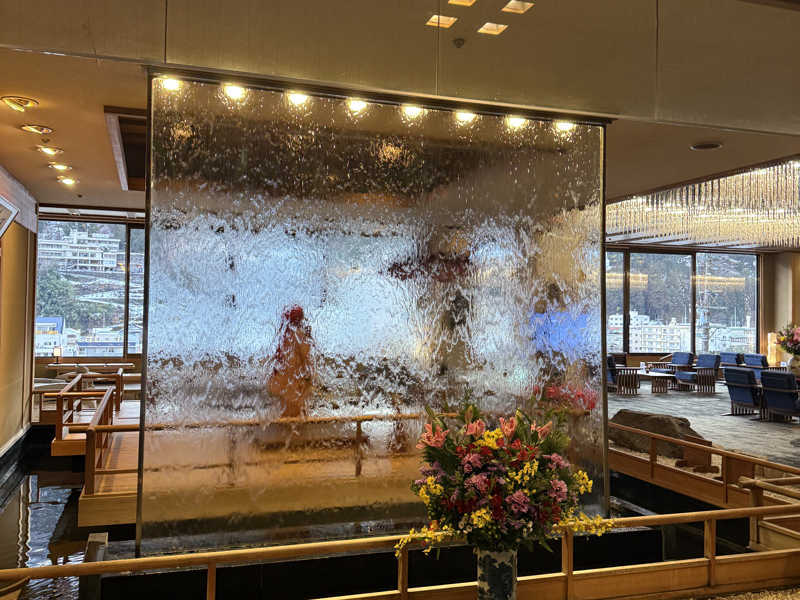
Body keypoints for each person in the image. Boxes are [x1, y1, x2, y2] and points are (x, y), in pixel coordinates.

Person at [268, 305, 314, 418]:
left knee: (287, 410)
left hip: (285, 384)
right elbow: (307, 360)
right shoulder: (298, 335)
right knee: (295, 411)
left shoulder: (284, 337)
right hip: (293, 385)